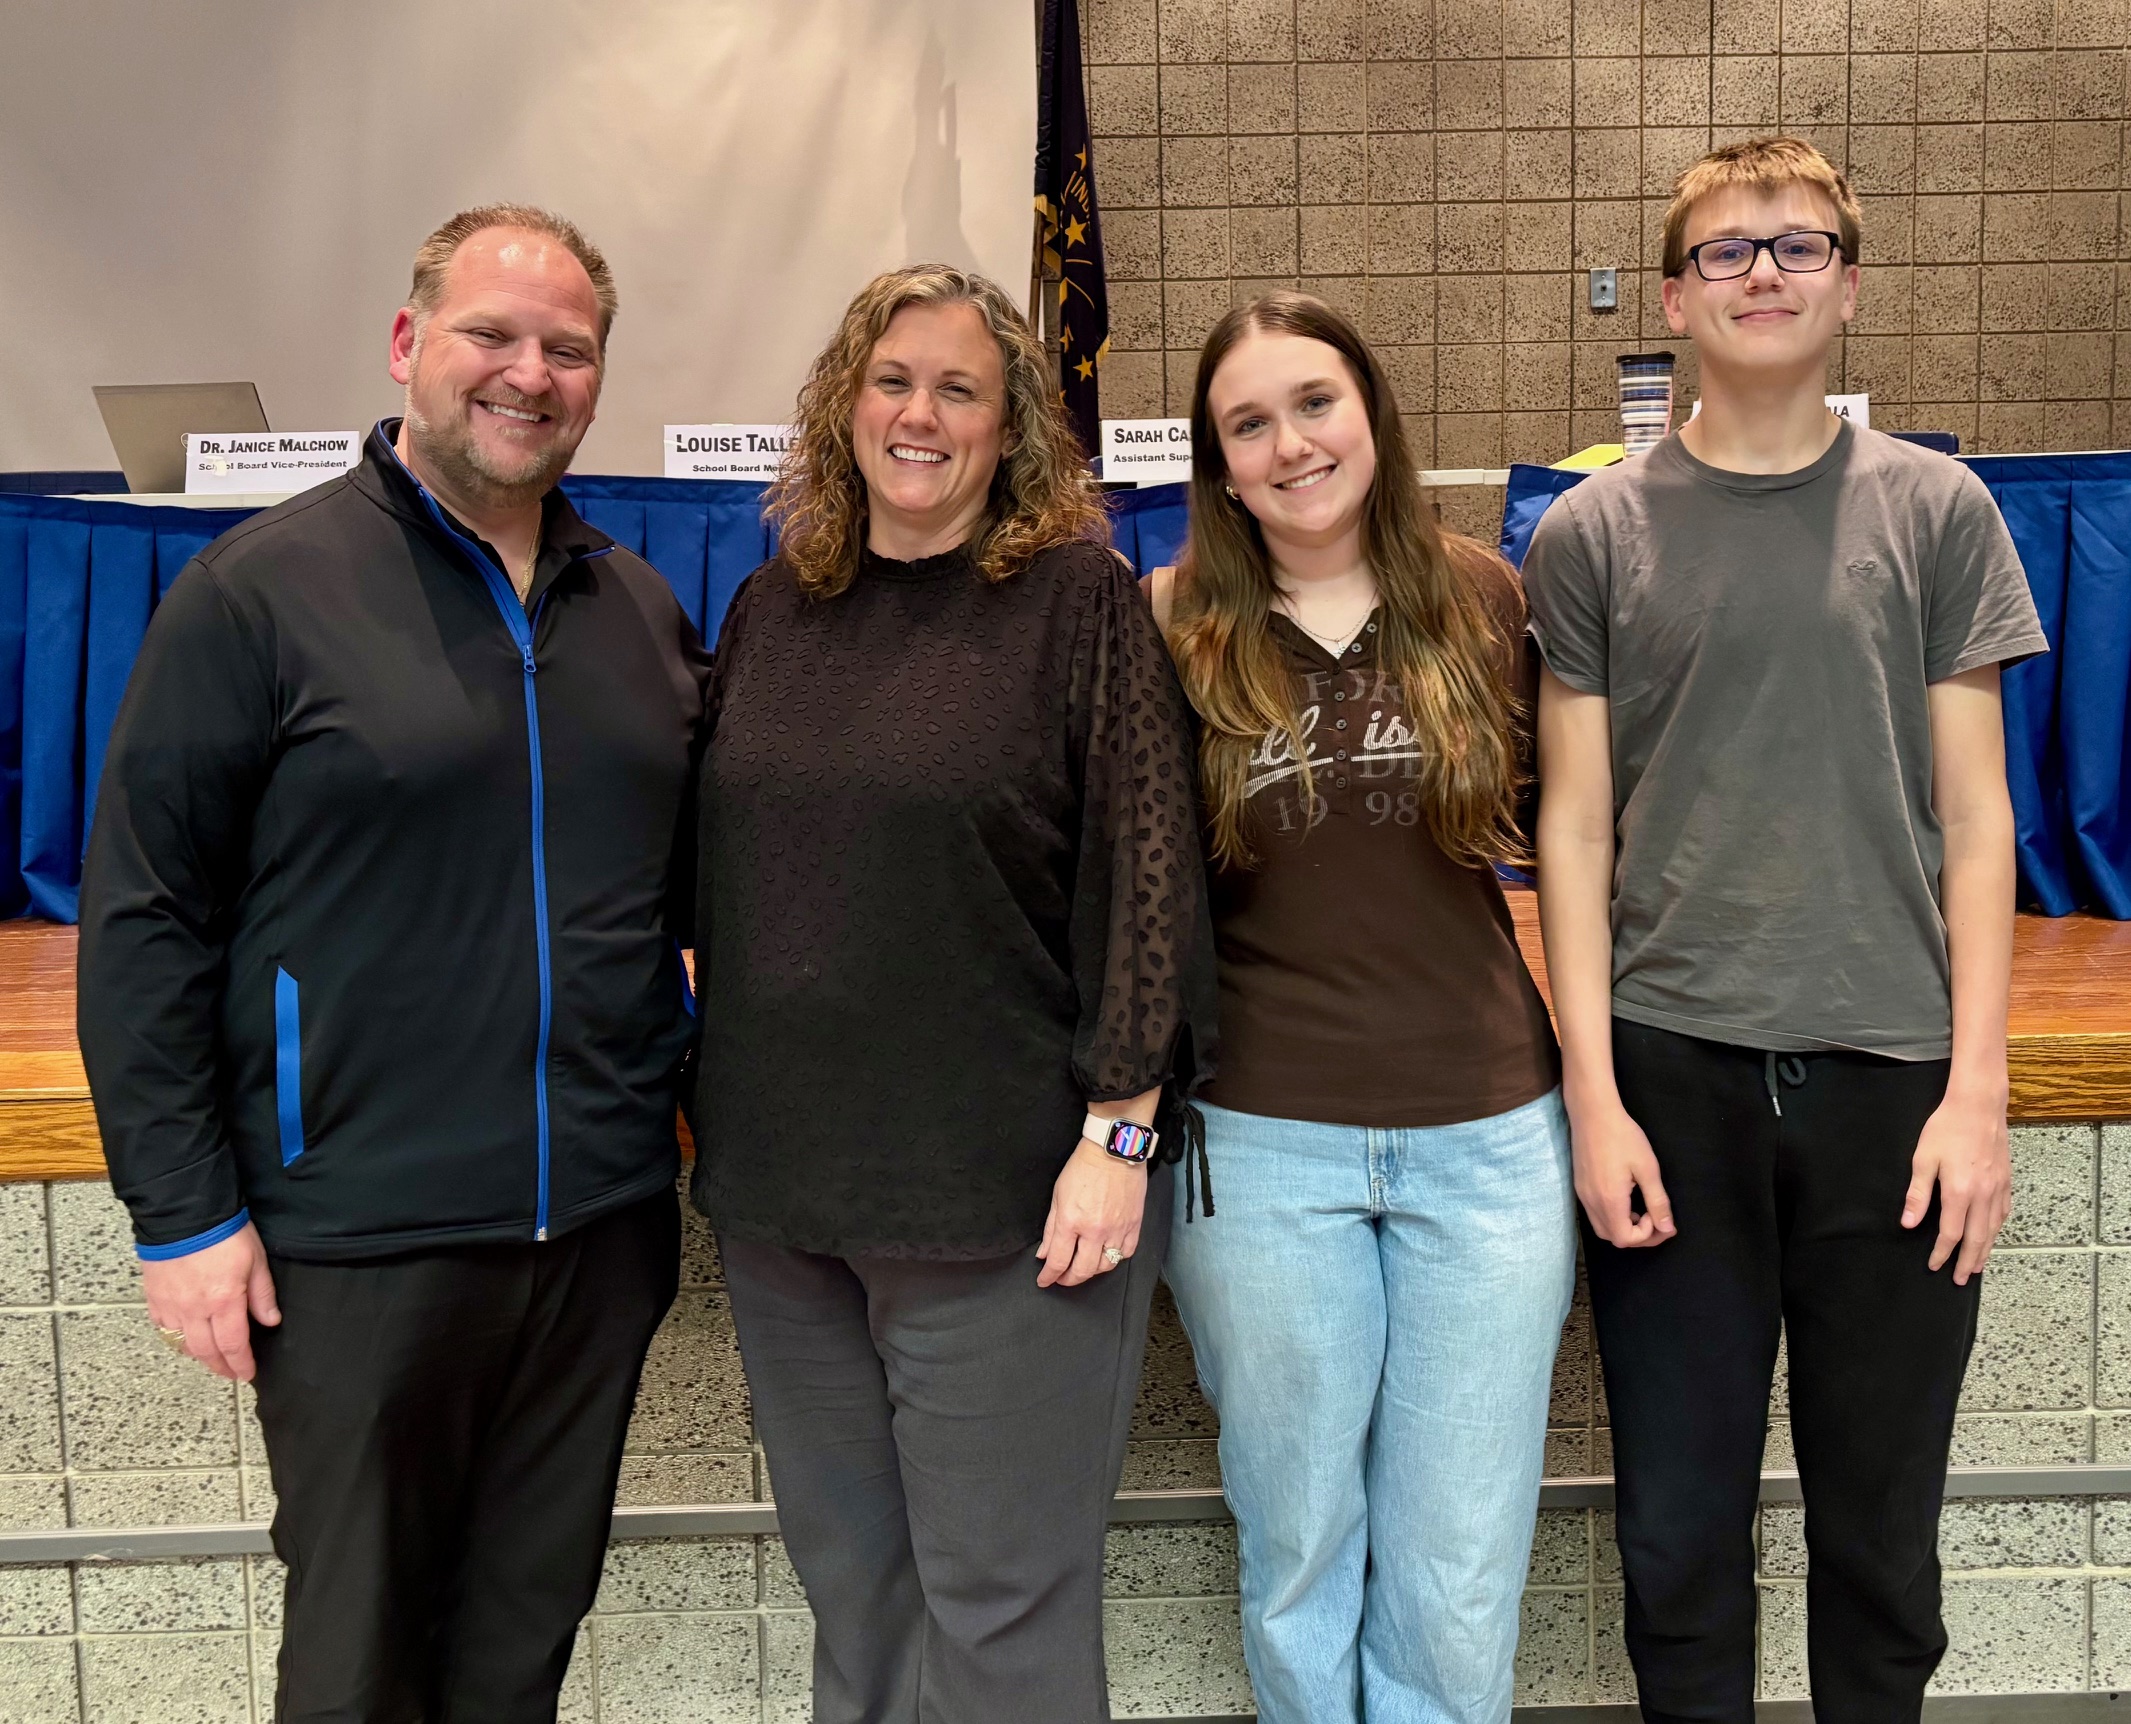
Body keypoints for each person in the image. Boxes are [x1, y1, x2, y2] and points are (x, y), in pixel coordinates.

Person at [77, 205, 710, 1722]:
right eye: (493, 334)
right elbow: (146, 913)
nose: (529, 373)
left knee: (519, 1650)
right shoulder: (258, 594)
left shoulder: (637, 610)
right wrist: (181, 1217)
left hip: (600, 1231)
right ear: (409, 344)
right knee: (360, 1663)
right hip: (357, 1240)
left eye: (569, 348)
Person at [1524, 136, 2047, 1718]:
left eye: (1800, 244)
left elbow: (1977, 820)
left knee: (1881, 1539)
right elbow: (1573, 825)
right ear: (1671, 300)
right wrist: (1597, 1096)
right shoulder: (1589, 539)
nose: (1765, 270)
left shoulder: (1941, 514)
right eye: (1730, 250)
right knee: (1679, 1537)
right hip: (1671, 1086)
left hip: (1894, 1086)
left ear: (1852, 284)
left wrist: (1979, 1092)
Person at [690, 262, 1216, 1724]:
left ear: (1013, 429)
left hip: (1004, 1210)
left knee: (1001, 1614)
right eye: (893, 380)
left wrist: (1121, 1135)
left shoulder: (1076, 606)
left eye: (960, 389)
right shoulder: (774, 606)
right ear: (844, 403)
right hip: (789, 1201)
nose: (920, 414)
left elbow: (1150, 882)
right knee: (856, 1598)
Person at [1147, 290, 1573, 1724]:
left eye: (1313, 403)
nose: (1290, 444)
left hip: (1490, 1138)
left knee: (1458, 1563)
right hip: (1261, 1144)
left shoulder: (1484, 596)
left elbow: (1570, 842)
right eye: (1248, 423)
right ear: (1216, 463)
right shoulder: (1169, 624)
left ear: (1372, 412)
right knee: (1299, 1546)